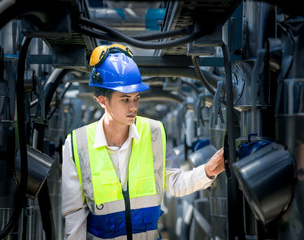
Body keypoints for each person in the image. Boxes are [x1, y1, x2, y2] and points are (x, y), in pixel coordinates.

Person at [61, 44, 225, 240]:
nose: (134, 107)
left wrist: (207, 171)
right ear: (102, 101)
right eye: (125, 99)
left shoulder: (154, 133)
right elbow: (74, 215)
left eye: (136, 98)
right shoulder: (77, 144)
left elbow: (174, 183)